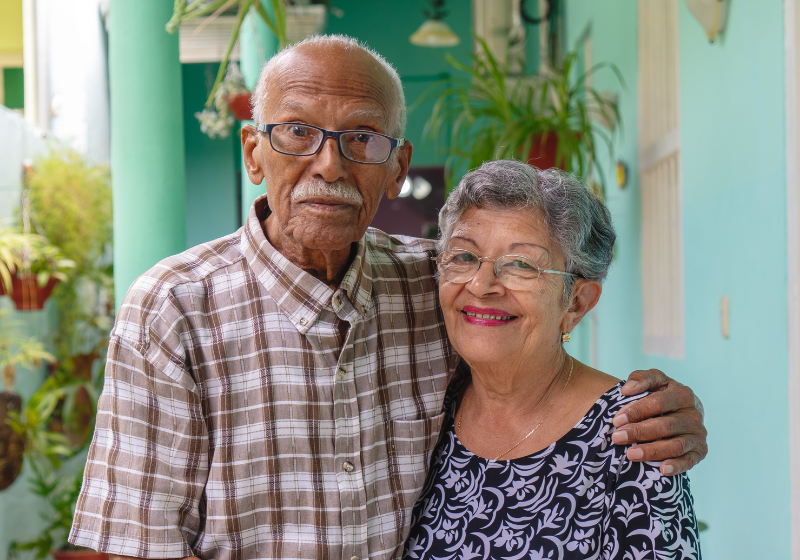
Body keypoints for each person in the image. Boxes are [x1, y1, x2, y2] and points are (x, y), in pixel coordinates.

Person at [69, 36, 706, 560]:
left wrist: (669, 412)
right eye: (297, 131)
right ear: (253, 152)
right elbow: (133, 546)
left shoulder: (435, 284)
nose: (329, 165)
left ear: (398, 167)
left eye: (364, 139)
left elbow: (528, 336)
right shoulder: (174, 310)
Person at [403, 160, 700, 560]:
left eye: (521, 265)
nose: (481, 285)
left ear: (576, 303)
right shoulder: (429, 408)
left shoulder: (633, 435)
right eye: (464, 257)